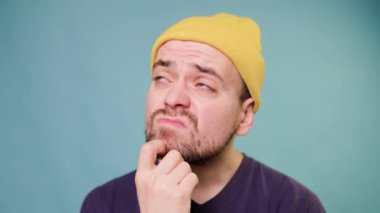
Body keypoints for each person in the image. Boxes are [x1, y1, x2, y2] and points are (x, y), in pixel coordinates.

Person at [81, 13, 325, 213]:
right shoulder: (104, 205)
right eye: (162, 78)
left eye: (203, 85)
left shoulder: (295, 206)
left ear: (245, 115)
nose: (173, 98)